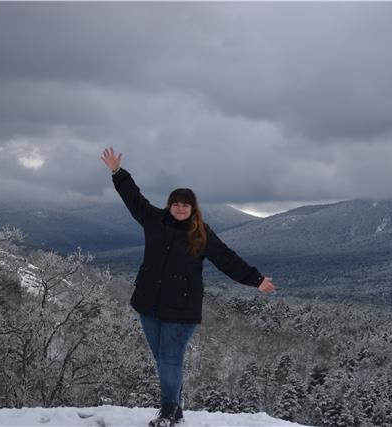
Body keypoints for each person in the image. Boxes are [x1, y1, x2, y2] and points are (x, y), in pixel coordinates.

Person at [101, 147, 276, 427]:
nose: (180, 207)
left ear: (193, 208)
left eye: (186, 204)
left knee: (170, 359)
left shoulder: (202, 234)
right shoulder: (154, 220)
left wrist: (256, 279)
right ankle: (176, 409)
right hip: (148, 303)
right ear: (170, 205)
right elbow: (133, 198)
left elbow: (227, 259)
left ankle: (168, 411)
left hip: (182, 309)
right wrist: (117, 172)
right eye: (176, 203)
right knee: (163, 359)